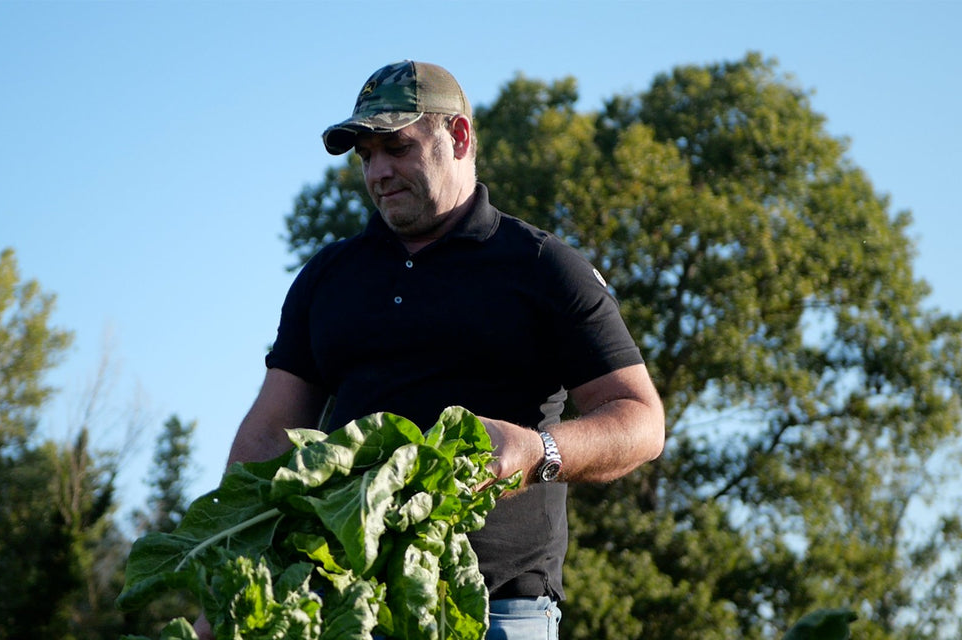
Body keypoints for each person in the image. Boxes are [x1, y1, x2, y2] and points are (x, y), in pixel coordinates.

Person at [214, 60, 665, 640]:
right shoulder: (328, 276)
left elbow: (641, 422)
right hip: (350, 606)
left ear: (458, 136)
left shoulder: (542, 266)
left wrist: (534, 452)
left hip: (499, 612)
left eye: (396, 148)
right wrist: (225, 576)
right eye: (365, 156)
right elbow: (268, 435)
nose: (378, 171)